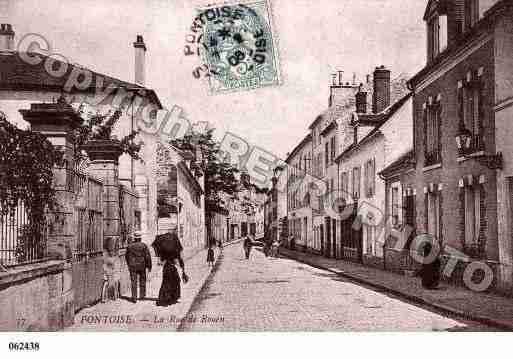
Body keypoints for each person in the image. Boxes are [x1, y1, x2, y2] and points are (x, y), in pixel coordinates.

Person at [152, 231, 189, 307]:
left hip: (166, 267)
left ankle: (165, 298)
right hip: (172, 267)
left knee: (166, 282)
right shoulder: (174, 250)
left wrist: (163, 260)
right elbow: (178, 259)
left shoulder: (163, 250)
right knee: (175, 281)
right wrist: (182, 269)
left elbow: (160, 262)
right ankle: (171, 298)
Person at [125, 231, 152, 303]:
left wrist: (129, 264)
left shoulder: (130, 246)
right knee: (142, 280)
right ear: (140, 238)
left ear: (134, 238)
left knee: (133, 281)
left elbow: (127, 256)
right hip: (142, 266)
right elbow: (147, 256)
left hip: (133, 266)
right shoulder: (144, 245)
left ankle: (134, 297)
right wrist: (149, 266)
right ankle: (142, 296)